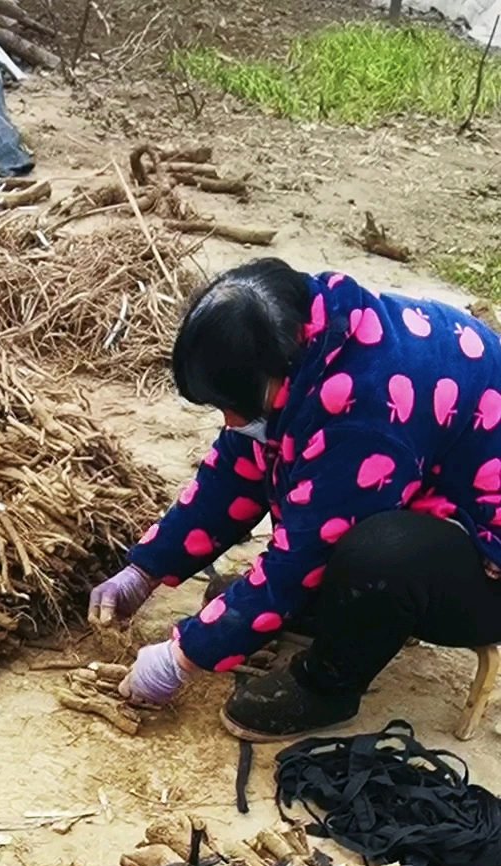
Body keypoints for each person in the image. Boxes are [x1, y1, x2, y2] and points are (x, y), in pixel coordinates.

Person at [88, 258, 501, 740]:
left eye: (234, 406)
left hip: (486, 579)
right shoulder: (309, 337)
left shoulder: (362, 415)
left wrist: (181, 658)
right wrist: (145, 569)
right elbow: (232, 476)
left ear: (276, 371)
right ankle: (325, 611)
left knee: (379, 553)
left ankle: (328, 686)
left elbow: (301, 557)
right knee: (310, 513)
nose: (230, 422)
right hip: (439, 502)